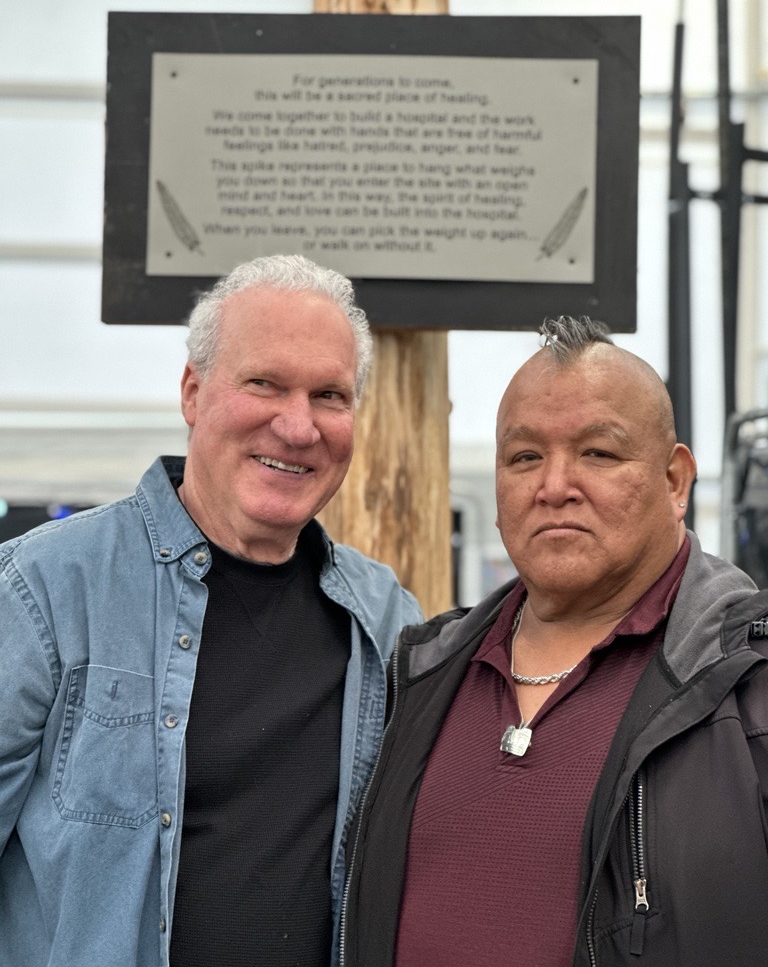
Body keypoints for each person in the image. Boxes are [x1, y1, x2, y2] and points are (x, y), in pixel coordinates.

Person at [0, 254, 422, 967]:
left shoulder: (384, 619)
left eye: (329, 395)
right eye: (264, 384)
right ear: (193, 392)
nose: (297, 426)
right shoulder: (46, 588)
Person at [343, 315, 768, 967]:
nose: (554, 486)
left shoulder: (748, 682)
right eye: (525, 457)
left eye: (598, 453)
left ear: (676, 481)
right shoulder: (420, 673)